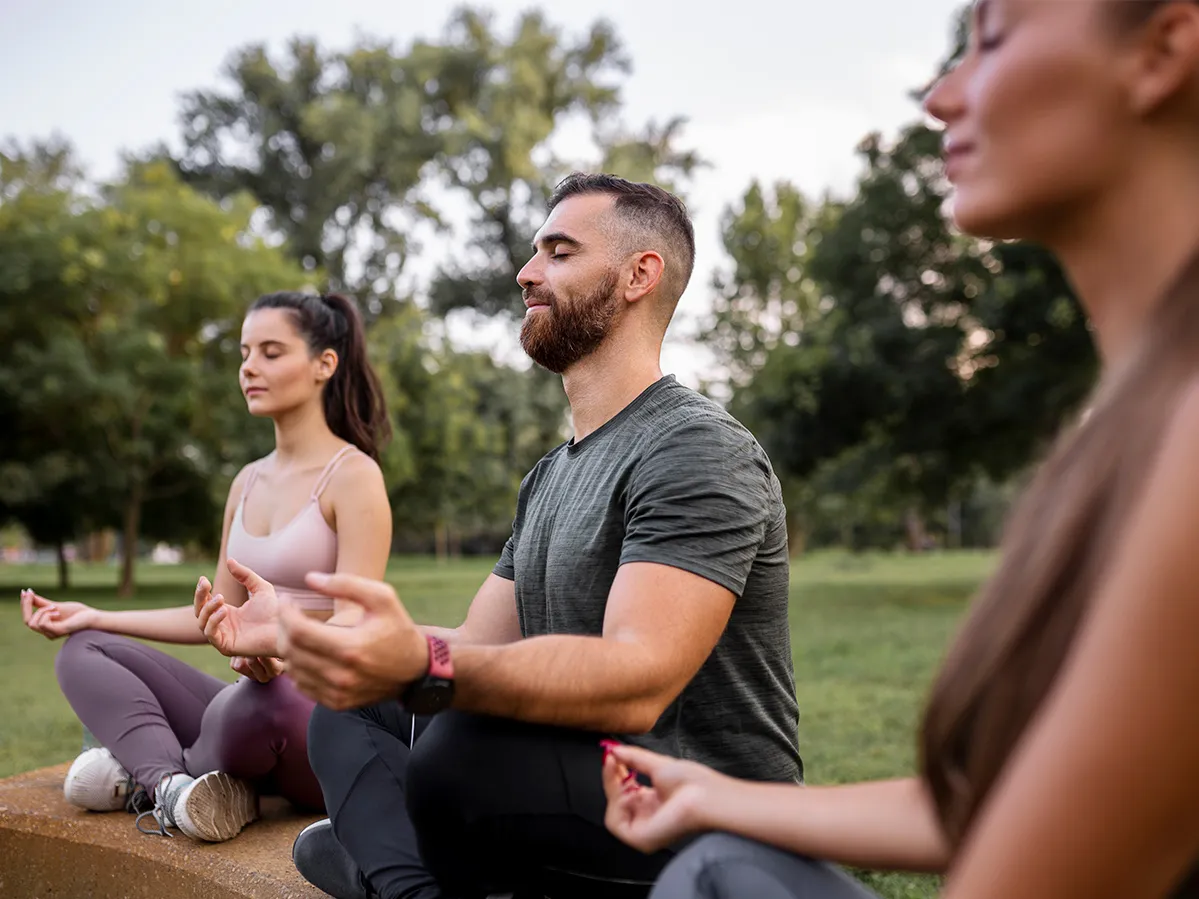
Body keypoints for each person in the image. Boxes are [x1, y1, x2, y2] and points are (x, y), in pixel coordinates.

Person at [598, 2, 1199, 898]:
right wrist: (713, 794)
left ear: (1162, 48)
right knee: (717, 863)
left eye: (990, 40)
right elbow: (987, 809)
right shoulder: (1134, 413)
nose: (939, 96)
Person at [243, 173, 802, 899]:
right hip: (573, 775)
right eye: (534, 251)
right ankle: (417, 883)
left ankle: (390, 858)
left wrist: (422, 659)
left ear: (639, 275)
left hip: (696, 812)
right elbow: (480, 642)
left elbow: (639, 679)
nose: (525, 272)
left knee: (456, 753)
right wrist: (298, 630)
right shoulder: (549, 475)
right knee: (351, 702)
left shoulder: (695, 447)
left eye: (558, 252)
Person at [20, 291, 392, 844]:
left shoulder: (353, 476)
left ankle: (140, 774)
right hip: (247, 699)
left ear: (324, 364)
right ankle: (175, 788)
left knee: (257, 702)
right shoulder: (245, 481)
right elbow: (214, 617)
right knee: (85, 648)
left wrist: (279, 644)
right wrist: (94, 614)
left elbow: (357, 624)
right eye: (244, 352)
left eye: (270, 352)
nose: (249, 367)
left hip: (313, 710)